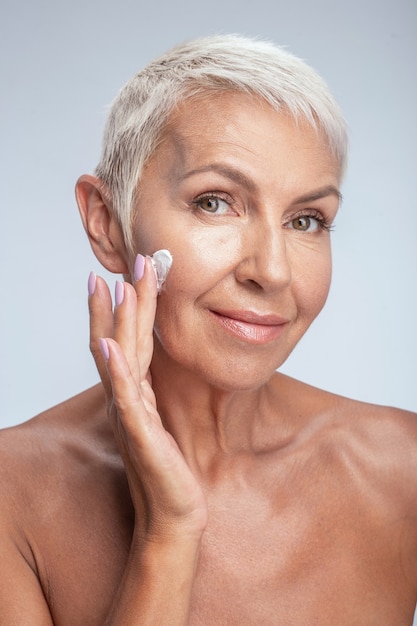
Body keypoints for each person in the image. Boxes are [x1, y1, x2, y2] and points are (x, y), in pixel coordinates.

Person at [0, 34, 416, 625]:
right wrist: (167, 534)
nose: (272, 271)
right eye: (216, 202)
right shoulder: (10, 496)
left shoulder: (402, 466)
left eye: (307, 220)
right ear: (106, 222)